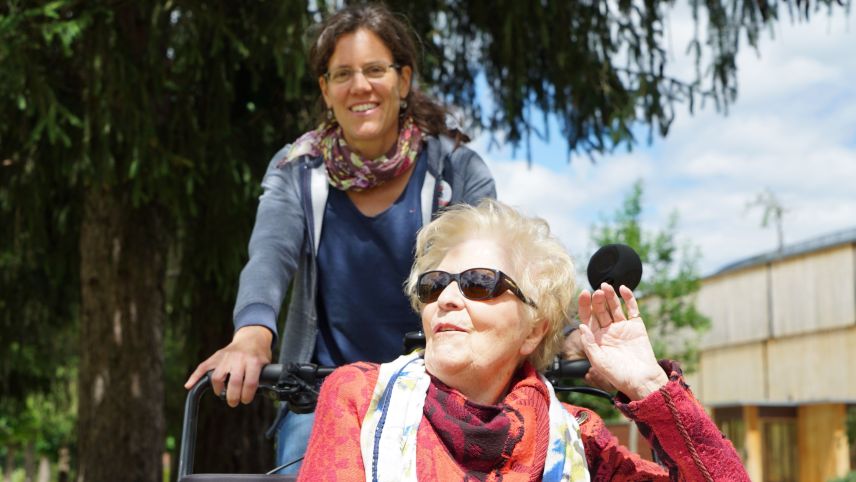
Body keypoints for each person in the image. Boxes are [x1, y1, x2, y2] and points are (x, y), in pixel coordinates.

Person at [183, 3, 495, 473]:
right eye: (343, 74)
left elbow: (498, 262)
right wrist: (251, 335)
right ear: (325, 90)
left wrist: (567, 336)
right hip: (320, 392)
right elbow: (270, 254)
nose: (360, 85)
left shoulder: (456, 169)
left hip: (441, 391)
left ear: (403, 81)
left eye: (375, 70)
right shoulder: (296, 170)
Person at [299, 199, 750, 481]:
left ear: (534, 329)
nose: (448, 299)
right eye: (435, 285)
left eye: (479, 282)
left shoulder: (578, 437)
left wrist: (649, 386)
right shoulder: (360, 397)